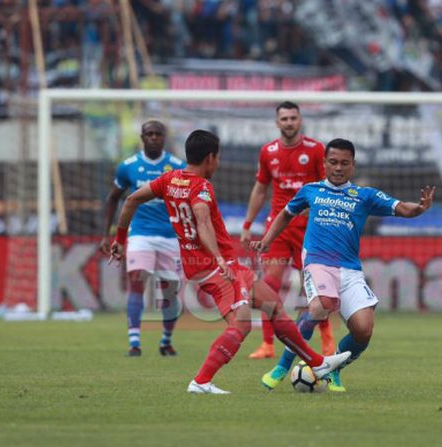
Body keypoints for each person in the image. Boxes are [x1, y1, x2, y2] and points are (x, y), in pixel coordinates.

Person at [111, 130, 350, 394]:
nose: (219, 163)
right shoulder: (202, 188)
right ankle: (201, 381)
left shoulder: (169, 179)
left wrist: (121, 239)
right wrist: (218, 259)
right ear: (210, 158)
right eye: (219, 157)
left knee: (272, 304)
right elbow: (203, 222)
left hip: (213, 264)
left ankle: (316, 363)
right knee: (242, 324)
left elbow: (131, 199)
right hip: (216, 267)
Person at [251, 138, 435, 392]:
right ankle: (282, 367)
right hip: (317, 261)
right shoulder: (311, 190)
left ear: (353, 165)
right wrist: (267, 240)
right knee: (321, 305)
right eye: (333, 162)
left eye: (344, 163)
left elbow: (402, 208)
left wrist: (420, 209)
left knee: (363, 330)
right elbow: (286, 214)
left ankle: (334, 369)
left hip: (349, 269)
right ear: (325, 163)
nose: (338, 168)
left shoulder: (365, 195)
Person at [240, 101, 335, 359]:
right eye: (285, 119)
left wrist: (318, 211)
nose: (289, 122)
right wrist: (248, 225)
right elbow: (260, 189)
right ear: (277, 122)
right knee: (270, 284)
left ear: (300, 120)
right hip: (278, 227)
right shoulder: (267, 151)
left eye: (293, 118)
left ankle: (326, 338)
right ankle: (268, 344)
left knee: (313, 287)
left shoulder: (316, 150)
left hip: (309, 228)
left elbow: (326, 185)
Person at [100, 120, 186, 357]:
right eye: (149, 134)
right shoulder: (128, 167)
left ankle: (166, 341)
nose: (154, 138)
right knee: (136, 283)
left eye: (158, 134)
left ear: (164, 137)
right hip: (139, 235)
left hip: (171, 237)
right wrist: (108, 234)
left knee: (170, 292)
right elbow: (113, 198)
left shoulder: (178, 167)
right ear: (142, 137)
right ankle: (134, 343)